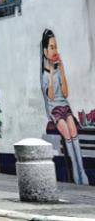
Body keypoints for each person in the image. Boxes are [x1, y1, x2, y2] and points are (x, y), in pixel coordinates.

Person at [41, 29, 88, 185]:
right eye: (52, 47)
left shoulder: (59, 70)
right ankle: (76, 171)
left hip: (64, 106)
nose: (55, 50)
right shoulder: (44, 75)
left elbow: (66, 93)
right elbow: (51, 97)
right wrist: (52, 71)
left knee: (73, 129)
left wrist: (61, 69)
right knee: (67, 132)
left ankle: (82, 172)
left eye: (56, 47)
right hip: (54, 110)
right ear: (45, 51)